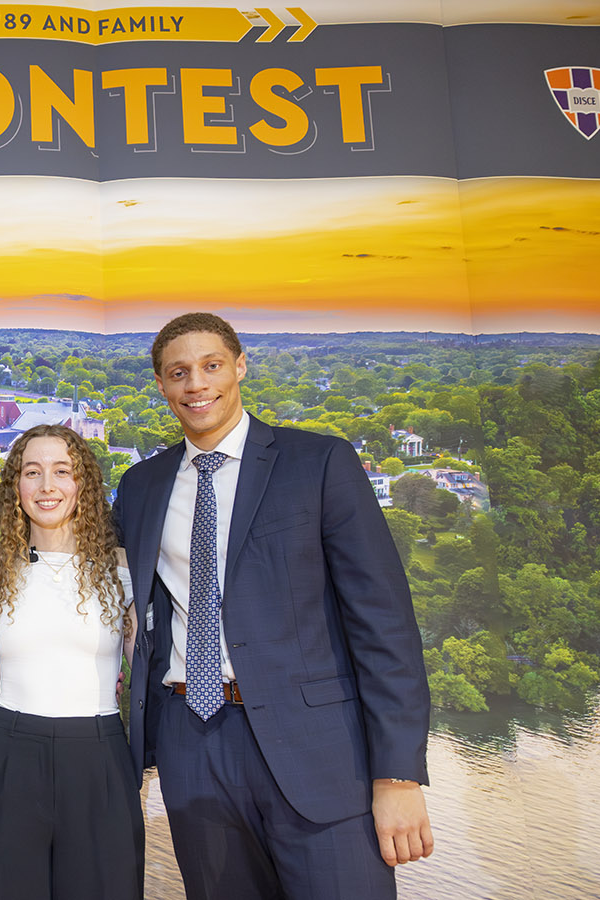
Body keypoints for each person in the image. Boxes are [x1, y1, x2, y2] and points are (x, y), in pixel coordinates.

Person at [117, 312, 434, 900]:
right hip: (193, 745)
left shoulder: (318, 464)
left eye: (211, 366)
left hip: (318, 750)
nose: (196, 385)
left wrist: (398, 775)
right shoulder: (141, 487)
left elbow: (383, 625)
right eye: (178, 372)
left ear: (240, 367)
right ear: (160, 385)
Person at [0, 424, 144, 900]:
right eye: (33, 472)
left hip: (99, 756)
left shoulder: (122, 570)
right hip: (8, 753)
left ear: (83, 483)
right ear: (15, 488)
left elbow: (144, 677)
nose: (47, 486)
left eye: (62, 471)